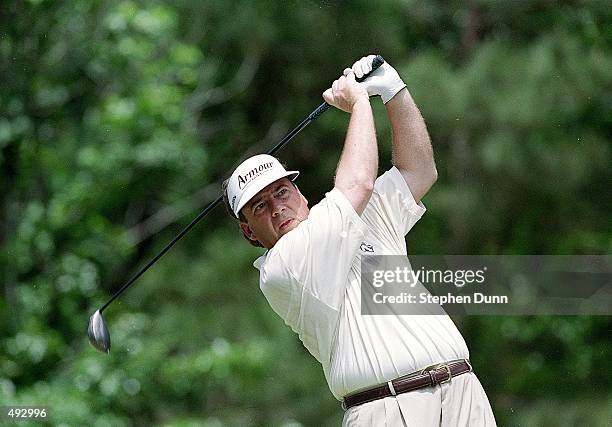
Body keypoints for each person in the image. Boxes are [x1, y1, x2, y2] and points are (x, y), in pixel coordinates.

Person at [222, 55, 496, 426]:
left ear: (299, 192)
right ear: (249, 231)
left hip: (462, 392)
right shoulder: (283, 266)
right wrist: (360, 103)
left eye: (282, 192)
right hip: (387, 407)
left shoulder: (356, 214)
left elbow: (419, 170)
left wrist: (393, 91)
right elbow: (358, 182)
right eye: (259, 206)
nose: (277, 208)